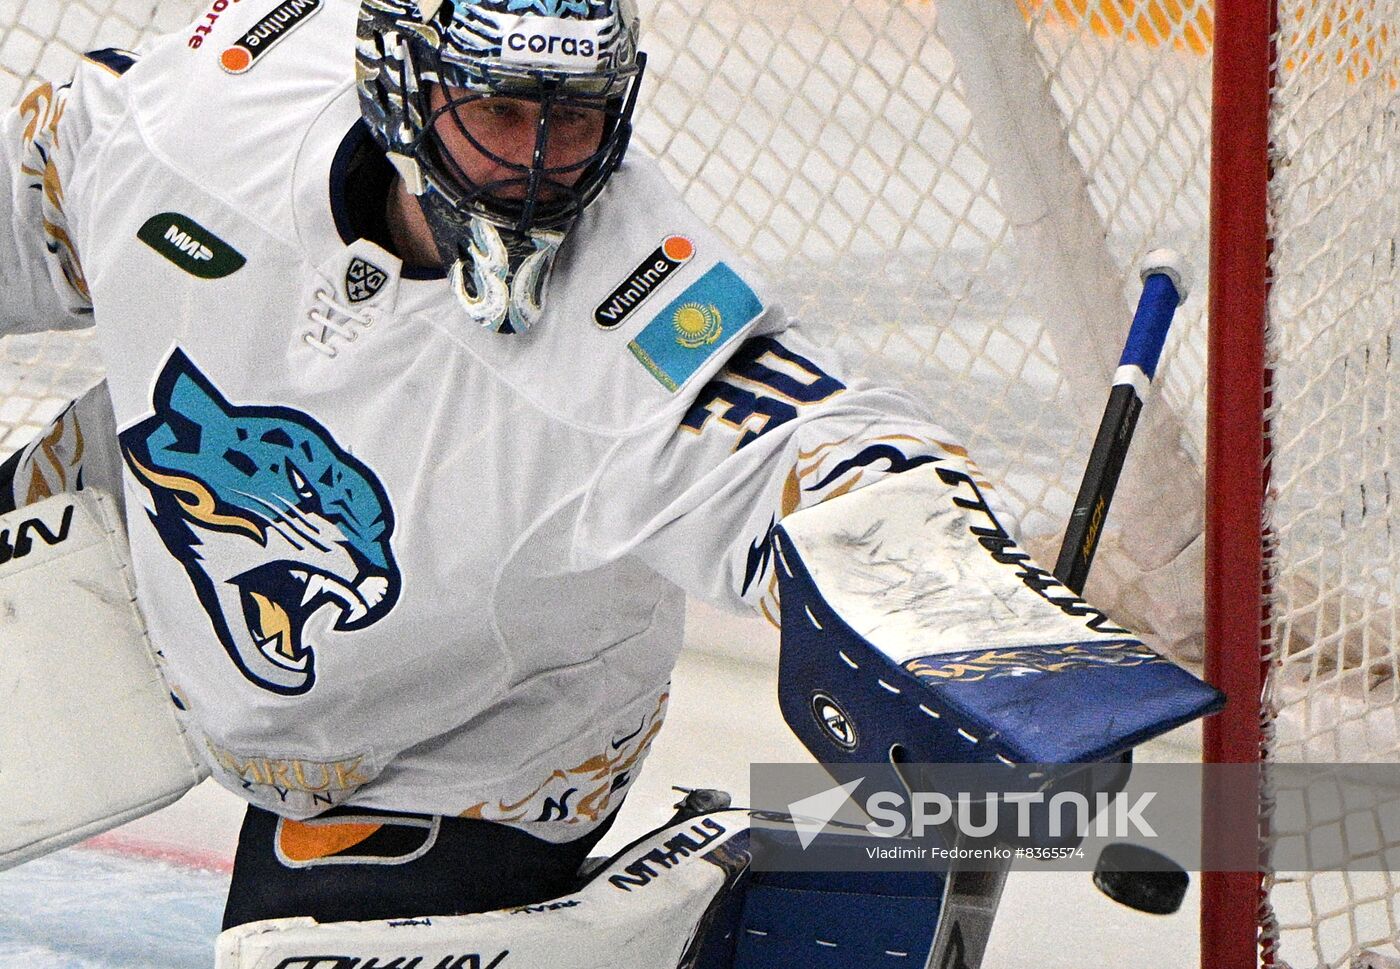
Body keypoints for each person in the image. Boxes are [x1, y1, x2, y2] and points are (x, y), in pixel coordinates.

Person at [0, 0, 1219, 950]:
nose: (537, 168)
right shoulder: (200, 129)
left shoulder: (634, 311)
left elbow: (815, 450)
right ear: (401, 90)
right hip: (129, 546)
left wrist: (978, 629)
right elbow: (39, 189)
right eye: (503, 114)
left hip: (468, 742)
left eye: (573, 120)